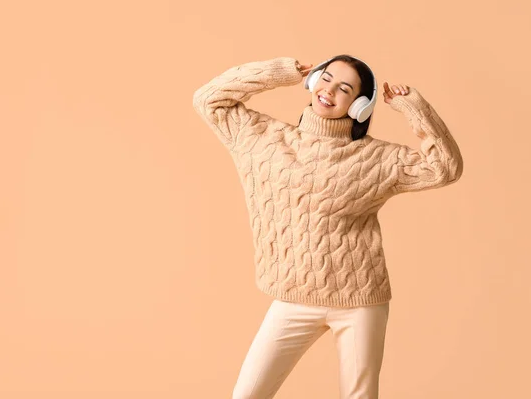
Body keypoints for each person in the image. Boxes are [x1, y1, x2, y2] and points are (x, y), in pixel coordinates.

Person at [192, 54, 463, 399]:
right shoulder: (260, 138)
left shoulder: (376, 159)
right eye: (326, 78)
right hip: (294, 295)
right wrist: (277, 72)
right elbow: (208, 99)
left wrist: (415, 108)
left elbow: (446, 168)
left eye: (345, 88)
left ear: (360, 106)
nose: (329, 90)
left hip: (359, 300)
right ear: (312, 80)